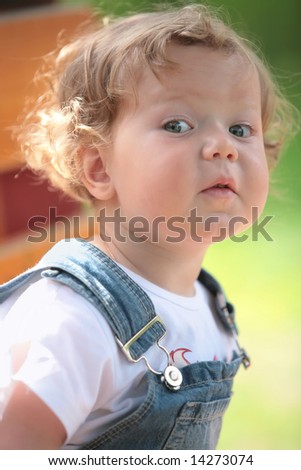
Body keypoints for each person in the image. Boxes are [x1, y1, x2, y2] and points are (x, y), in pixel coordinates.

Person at [0, 3, 295, 450]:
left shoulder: (203, 300)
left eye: (240, 128)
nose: (223, 147)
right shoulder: (76, 320)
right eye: (178, 125)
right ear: (100, 169)